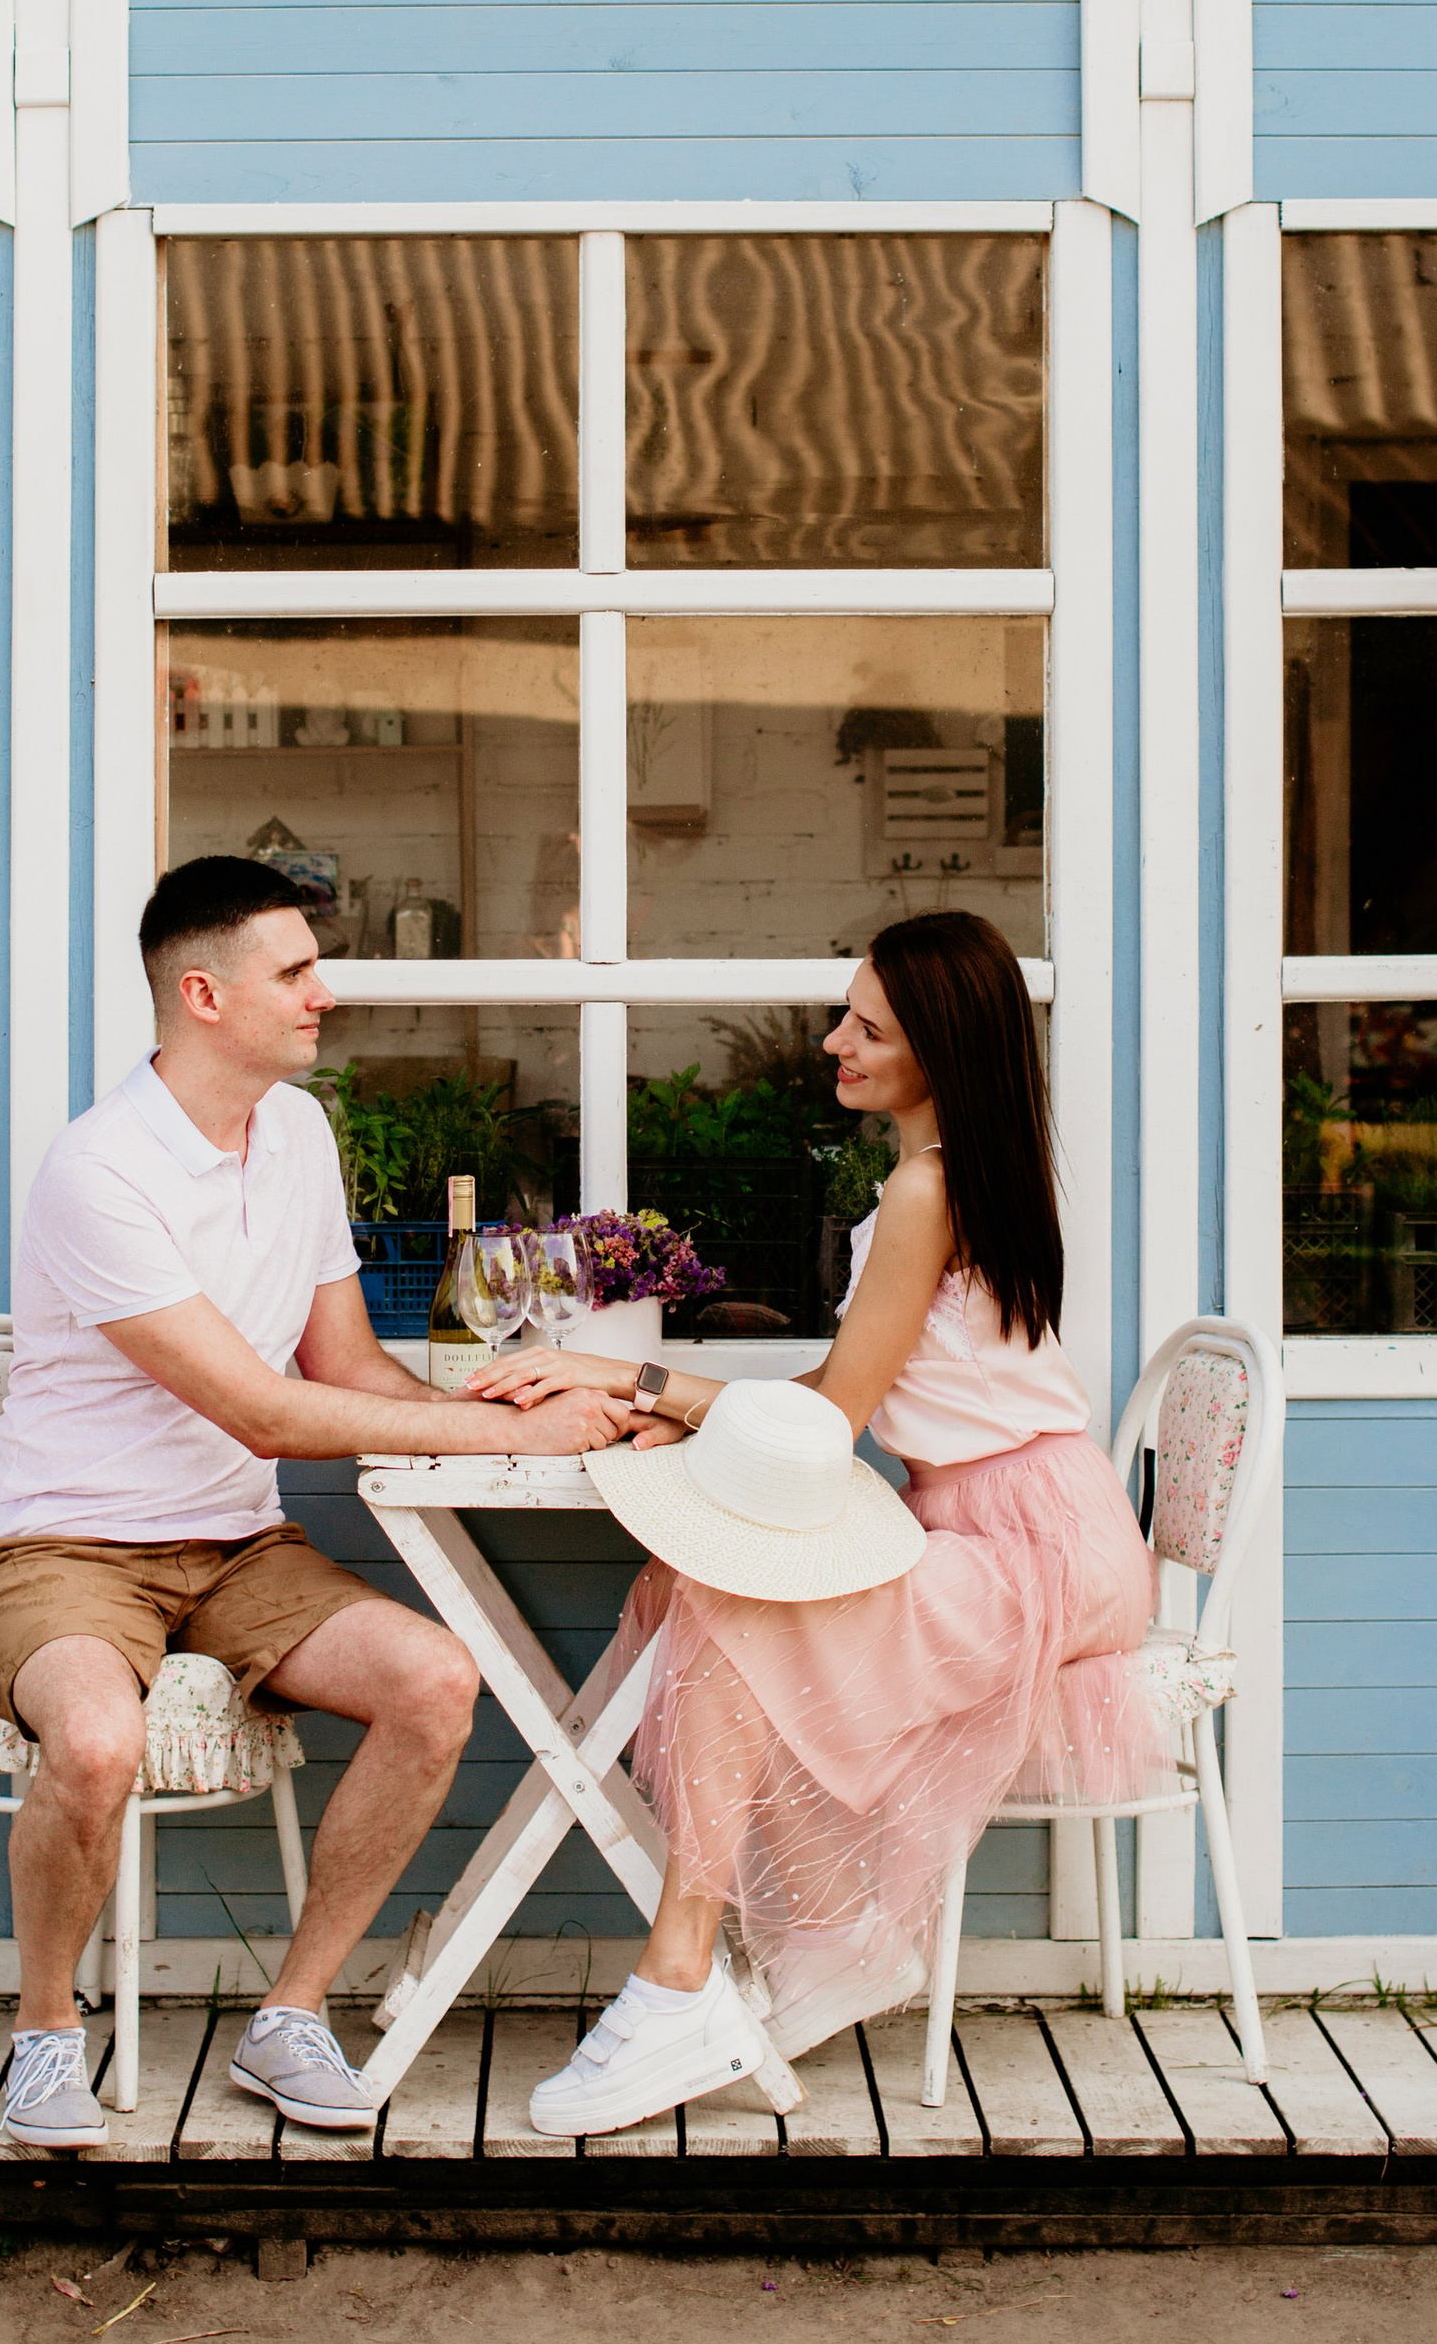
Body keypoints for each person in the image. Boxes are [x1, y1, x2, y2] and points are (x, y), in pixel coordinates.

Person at [464, 909, 1173, 2140]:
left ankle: (678, 1973)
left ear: (939, 1049)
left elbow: (833, 1414)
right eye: (844, 1016)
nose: (833, 1043)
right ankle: (753, 1957)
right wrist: (662, 1401)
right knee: (696, 1593)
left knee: (734, 1608)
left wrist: (630, 1385)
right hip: (1007, 1526)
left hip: (1037, 1552)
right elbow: (838, 1395)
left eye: (866, 1027)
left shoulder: (924, 1188)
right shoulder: (950, 1175)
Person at [0, 854, 627, 2151]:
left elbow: (342, 1367)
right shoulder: (100, 1170)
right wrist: (472, 1425)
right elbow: (262, 1411)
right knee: (97, 1742)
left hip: (234, 1550)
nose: (325, 994)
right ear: (204, 994)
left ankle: (291, 2015)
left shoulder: (299, 1136)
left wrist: (505, 1402)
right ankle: (46, 2032)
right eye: (297, 972)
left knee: (435, 1681)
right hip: (66, 1552)